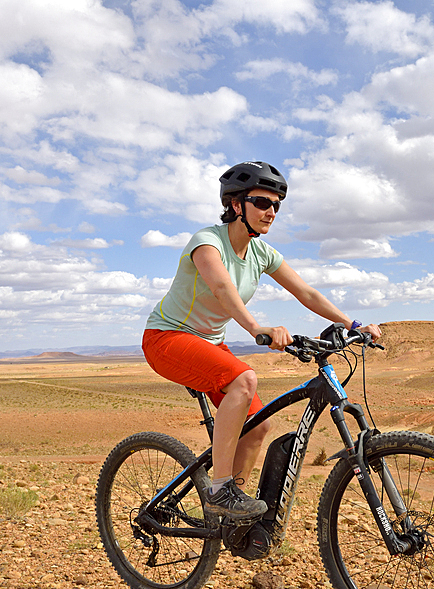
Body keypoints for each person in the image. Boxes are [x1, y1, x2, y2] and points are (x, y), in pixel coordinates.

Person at [142, 161, 382, 521]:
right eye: (261, 202)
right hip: (168, 338)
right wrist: (258, 328)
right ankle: (220, 489)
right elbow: (222, 288)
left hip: (208, 345)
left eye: (276, 205)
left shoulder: (261, 253)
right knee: (244, 379)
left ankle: (229, 517)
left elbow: (306, 292)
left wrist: (352, 323)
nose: (271, 211)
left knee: (258, 429)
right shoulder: (207, 242)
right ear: (237, 204)